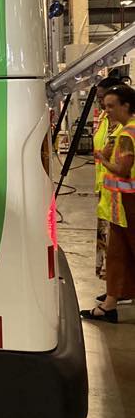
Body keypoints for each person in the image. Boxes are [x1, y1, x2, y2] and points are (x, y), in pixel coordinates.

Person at [83, 82, 135, 323]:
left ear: (127, 105)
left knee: (120, 253)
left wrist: (103, 159)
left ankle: (110, 304)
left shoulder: (126, 134)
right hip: (121, 204)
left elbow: (123, 170)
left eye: (112, 106)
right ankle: (111, 302)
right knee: (117, 253)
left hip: (126, 205)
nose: (107, 111)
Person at [93, 75, 127, 280]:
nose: (102, 106)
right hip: (105, 190)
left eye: (105, 101)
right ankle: (113, 287)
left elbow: (115, 161)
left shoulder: (126, 129)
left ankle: (118, 289)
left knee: (118, 246)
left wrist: (103, 159)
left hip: (121, 195)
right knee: (110, 244)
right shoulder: (106, 120)